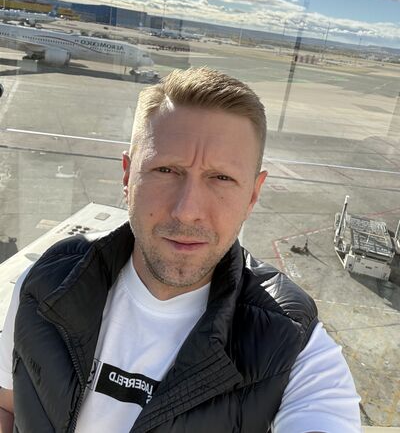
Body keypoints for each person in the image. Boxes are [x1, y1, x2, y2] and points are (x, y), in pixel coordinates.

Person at [0, 67, 361, 432]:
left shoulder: (292, 346)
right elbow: (8, 404)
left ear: (253, 194)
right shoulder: (45, 286)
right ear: (127, 175)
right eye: (166, 170)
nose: (187, 210)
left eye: (221, 178)